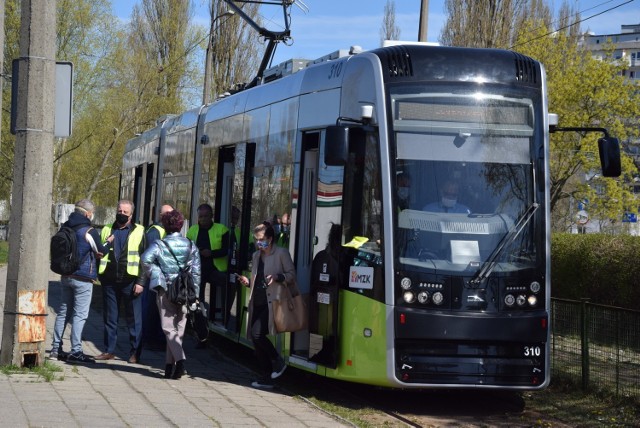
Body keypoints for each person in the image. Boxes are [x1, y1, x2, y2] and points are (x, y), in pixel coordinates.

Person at [237, 221, 298, 390]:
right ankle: (267, 376)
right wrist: (248, 282)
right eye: (256, 240)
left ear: (270, 239)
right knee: (255, 340)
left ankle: (278, 361)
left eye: (261, 240)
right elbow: (258, 281)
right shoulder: (257, 256)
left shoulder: (281, 253)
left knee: (257, 334)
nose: (258, 243)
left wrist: (278, 277)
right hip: (256, 300)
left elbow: (291, 275)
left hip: (273, 302)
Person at [141, 209, 201, 379]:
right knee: (178, 330)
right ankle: (169, 367)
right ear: (181, 225)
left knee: (168, 328)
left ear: (165, 225)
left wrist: (157, 274)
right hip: (185, 290)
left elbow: (145, 259)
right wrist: (194, 294)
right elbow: (196, 272)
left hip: (166, 288)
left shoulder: (159, 245)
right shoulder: (191, 245)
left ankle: (180, 361)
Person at [50, 199, 108, 364]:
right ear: (88, 213)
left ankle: (55, 349)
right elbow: (101, 251)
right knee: (80, 314)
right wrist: (108, 244)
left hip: (66, 275)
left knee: (63, 312)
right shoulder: (89, 230)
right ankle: (76, 350)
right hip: (83, 278)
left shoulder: (65, 226)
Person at [95, 200, 147, 363]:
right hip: (109, 281)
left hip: (131, 281)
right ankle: (109, 350)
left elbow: (145, 259)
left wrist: (141, 282)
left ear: (131, 215)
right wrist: (100, 275)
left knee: (134, 320)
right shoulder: (106, 229)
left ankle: (135, 353)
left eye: (125, 212)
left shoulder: (139, 231)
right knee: (110, 318)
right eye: (120, 211)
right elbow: (99, 252)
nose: (122, 214)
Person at [186, 203, 229, 346]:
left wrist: (211, 253)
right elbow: (187, 249)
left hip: (216, 269)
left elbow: (227, 250)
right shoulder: (192, 230)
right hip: (198, 271)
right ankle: (202, 335)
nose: (203, 219)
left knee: (228, 286)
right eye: (200, 216)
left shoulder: (222, 229)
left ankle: (225, 317)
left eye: (206, 216)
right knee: (198, 302)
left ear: (212, 216)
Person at [141, 204, 174, 351]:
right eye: (166, 213)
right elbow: (149, 257)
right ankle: (151, 339)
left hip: (160, 277)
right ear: (159, 215)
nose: (169, 216)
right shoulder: (156, 232)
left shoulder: (163, 230)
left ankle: (153, 338)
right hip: (155, 278)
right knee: (153, 309)